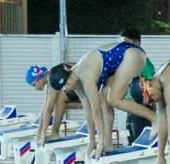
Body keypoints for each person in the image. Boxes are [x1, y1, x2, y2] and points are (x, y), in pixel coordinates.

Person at [50, 28, 151, 157]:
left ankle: (154, 119)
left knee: (113, 99)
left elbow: (96, 110)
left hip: (133, 55)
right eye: (63, 88)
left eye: (66, 84)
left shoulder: (85, 75)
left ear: (69, 75)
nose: (66, 89)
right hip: (120, 60)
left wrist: (100, 142)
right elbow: (88, 111)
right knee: (104, 98)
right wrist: (92, 141)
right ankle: (108, 143)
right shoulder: (77, 82)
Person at [27, 63, 82, 144]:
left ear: (38, 80)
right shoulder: (51, 77)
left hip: (87, 93)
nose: (35, 88)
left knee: (59, 99)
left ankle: (54, 133)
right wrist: (39, 132)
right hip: (83, 93)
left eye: (34, 85)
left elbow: (49, 110)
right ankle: (54, 133)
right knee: (60, 101)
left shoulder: (53, 80)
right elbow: (44, 111)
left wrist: (43, 132)